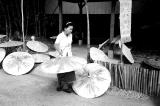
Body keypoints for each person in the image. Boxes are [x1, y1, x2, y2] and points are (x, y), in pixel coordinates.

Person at [54, 21, 76, 93]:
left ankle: (66, 86)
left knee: (69, 70)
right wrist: (59, 51)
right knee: (61, 70)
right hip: (61, 54)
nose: (71, 30)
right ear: (65, 28)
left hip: (68, 54)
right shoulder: (60, 36)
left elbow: (70, 45)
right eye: (70, 29)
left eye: (72, 29)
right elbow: (56, 45)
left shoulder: (71, 35)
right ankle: (60, 85)